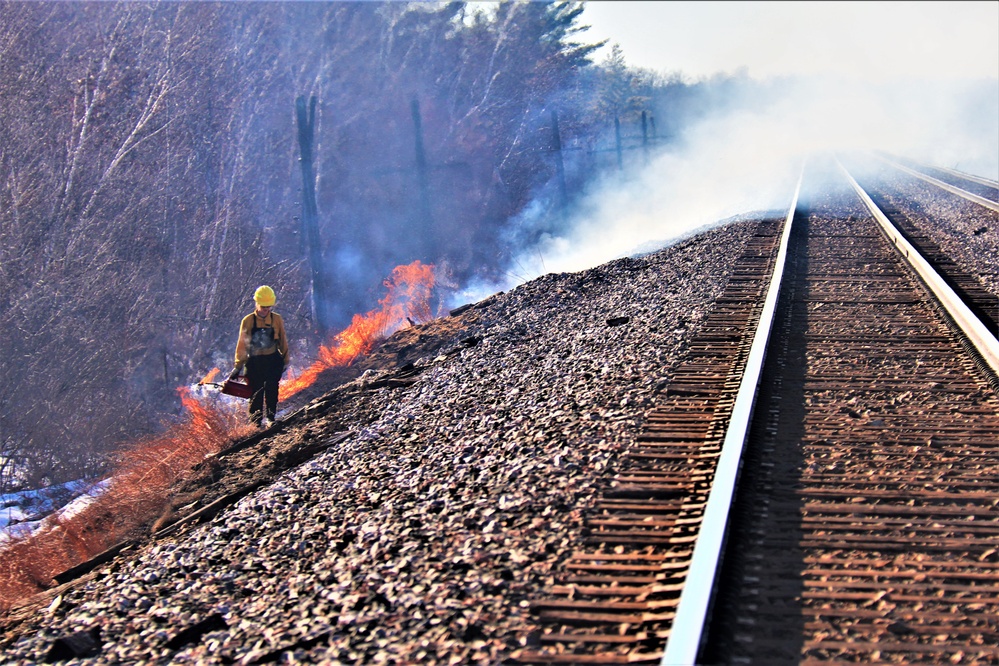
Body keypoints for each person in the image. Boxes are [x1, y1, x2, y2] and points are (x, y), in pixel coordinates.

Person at [230, 285, 289, 426]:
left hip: (272, 360)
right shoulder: (248, 321)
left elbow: (282, 340)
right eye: (263, 307)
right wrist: (238, 366)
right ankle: (256, 423)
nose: (266, 310)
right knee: (255, 393)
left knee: (272, 390)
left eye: (269, 307)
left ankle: (270, 418)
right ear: (257, 303)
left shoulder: (277, 319)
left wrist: (286, 360)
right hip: (254, 362)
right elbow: (242, 344)